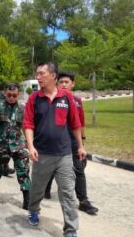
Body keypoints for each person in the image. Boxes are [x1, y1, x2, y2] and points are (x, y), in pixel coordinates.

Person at [23, 62, 86, 237]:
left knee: (67, 192)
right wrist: (31, 146)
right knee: (37, 188)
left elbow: (75, 124)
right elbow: (28, 124)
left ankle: (71, 229)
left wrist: (80, 146)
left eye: (42, 73)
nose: (38, 77)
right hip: (42, 153)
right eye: (37, 74)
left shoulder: (66, 98)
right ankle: (34, 210)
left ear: (53, 76)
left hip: (64, 154)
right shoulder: (34, 98)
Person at [44, 71, 98, 215]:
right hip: (56, 142)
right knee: (50, 167)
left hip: (73, 141)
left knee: (79, 169)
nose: (63, 84)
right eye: (61, 82)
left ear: (73, 84)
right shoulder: (52, 99)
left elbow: (80, 122)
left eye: (66, 82)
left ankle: (83, 201)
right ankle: (45, 189)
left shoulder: (77, 101)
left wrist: (82, 143)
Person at [0, 83, 31, 209]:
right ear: (5, 94)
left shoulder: (22, 108)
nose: (11, 97)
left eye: (14, 95)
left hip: (18, 145)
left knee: (23, 171)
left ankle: (26, 198)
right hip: (2, 145)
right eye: (9, 95)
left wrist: (29, 142)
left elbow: (24, 126)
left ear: (18, 95)